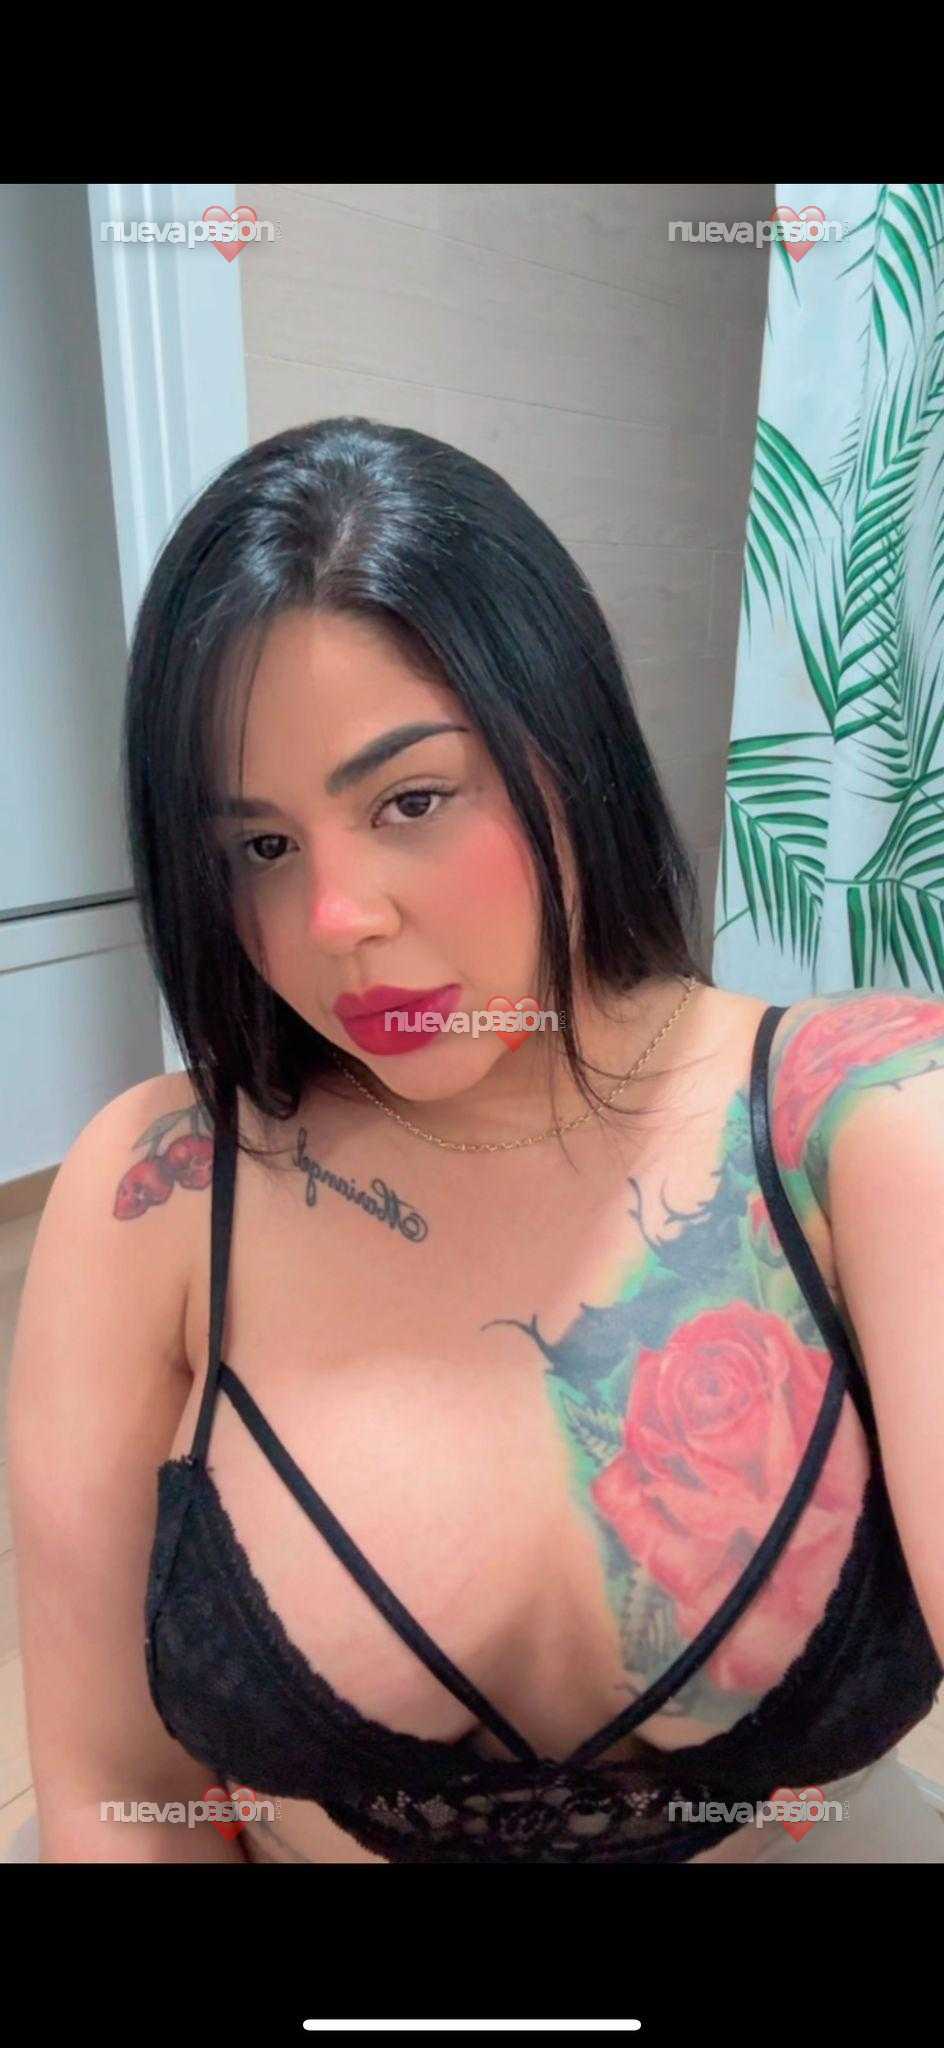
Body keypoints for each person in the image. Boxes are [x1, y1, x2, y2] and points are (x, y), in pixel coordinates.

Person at [9, 418, 944, 1865]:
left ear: (568, 747)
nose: (339, 921)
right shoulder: (159, 1192)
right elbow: (117, 1794)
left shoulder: (860, 1119)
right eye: (261, 848)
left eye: (413, 800)